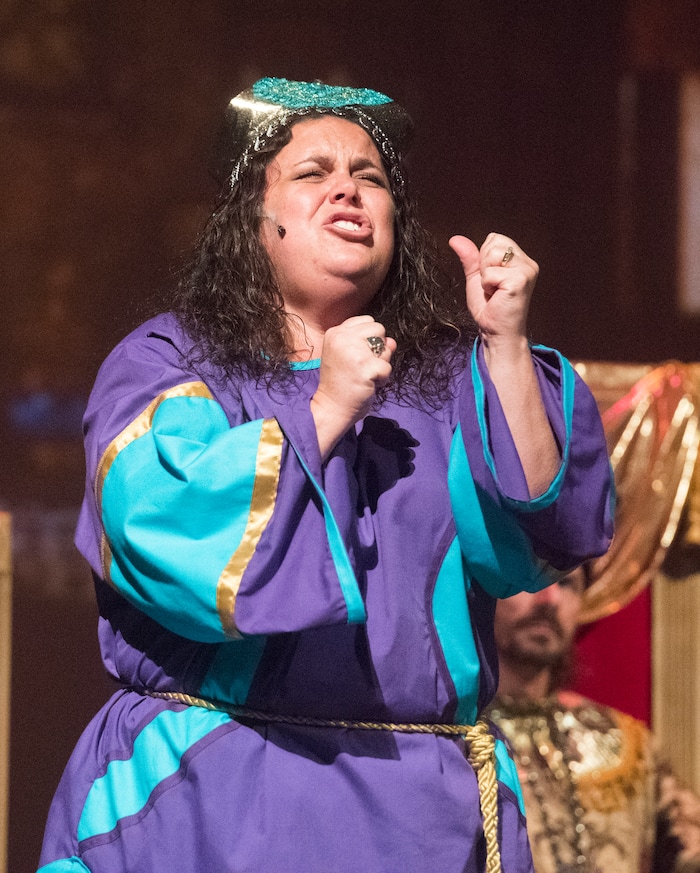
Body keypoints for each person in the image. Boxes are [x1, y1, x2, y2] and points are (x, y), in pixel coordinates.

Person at [37, 77, 613, 873]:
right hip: (216, 795)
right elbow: (161, 527)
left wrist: (506, 341)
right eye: (312, 172)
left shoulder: (450, 379)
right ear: (254, 218)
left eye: (370, 177)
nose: (348, 187)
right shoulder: (171, 360)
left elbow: (544, 539)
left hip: (422, 815)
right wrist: (327, 405)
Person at [488, 568, 700, 873]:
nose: (550, 599)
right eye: (530, 578)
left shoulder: (632, 747)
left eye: (566, 583)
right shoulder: (453, 742)